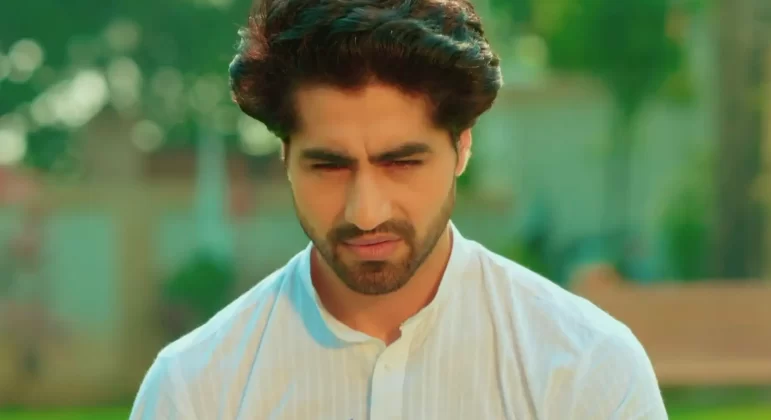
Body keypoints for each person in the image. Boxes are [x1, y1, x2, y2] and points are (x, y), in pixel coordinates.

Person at [130, 0, 667, 418]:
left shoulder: (586, 371)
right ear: (286, 156)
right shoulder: (196, 390)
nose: (365, 212)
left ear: (461, 147)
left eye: (402, 162)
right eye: (329, 166)